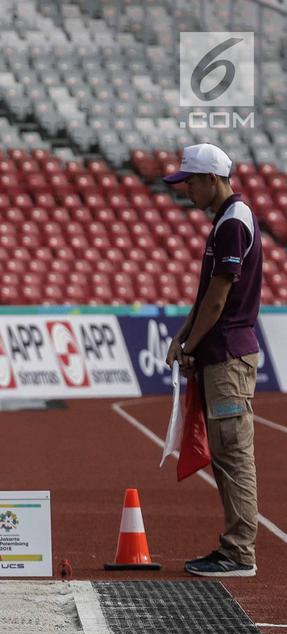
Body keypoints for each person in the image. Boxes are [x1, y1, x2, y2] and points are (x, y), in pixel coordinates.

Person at [163, 143, 262, 577]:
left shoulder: (233, 222)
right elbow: (207, 297)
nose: (186, 191)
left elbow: (219, 298)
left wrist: (190, 344)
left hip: (228, 356)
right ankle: (233, 547)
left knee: (234, 452)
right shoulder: (226, 220)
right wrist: (184, 336)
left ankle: (240, 551)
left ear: (212, 180)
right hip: (220, 351)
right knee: (225, 452)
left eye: (190, 182)